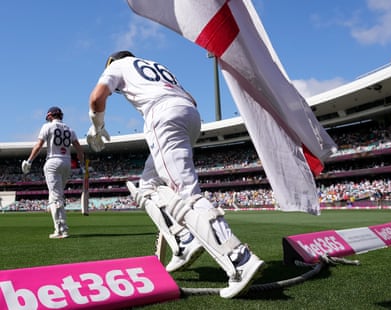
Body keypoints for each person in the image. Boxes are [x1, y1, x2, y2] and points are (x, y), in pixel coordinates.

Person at [86, 51, 264, 298]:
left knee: (186, 194)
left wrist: (97, 127)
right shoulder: (156, 65)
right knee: (147, 186)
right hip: (189, 115)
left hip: (162, 116)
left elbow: (96, 98)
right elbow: (191, 98)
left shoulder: (117, 65)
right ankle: (183, 240)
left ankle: (239, 259)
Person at [22, 106, 84, 239]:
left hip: (53, 161)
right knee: (57, 195)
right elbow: (79, 149)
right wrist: (82, 164)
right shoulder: (70, 129)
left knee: (55, 197)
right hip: (67, 163)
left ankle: (61, 230)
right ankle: (60, 227)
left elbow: (38, 145)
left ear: (50, 116)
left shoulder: (47, 127)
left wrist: (29, 161)